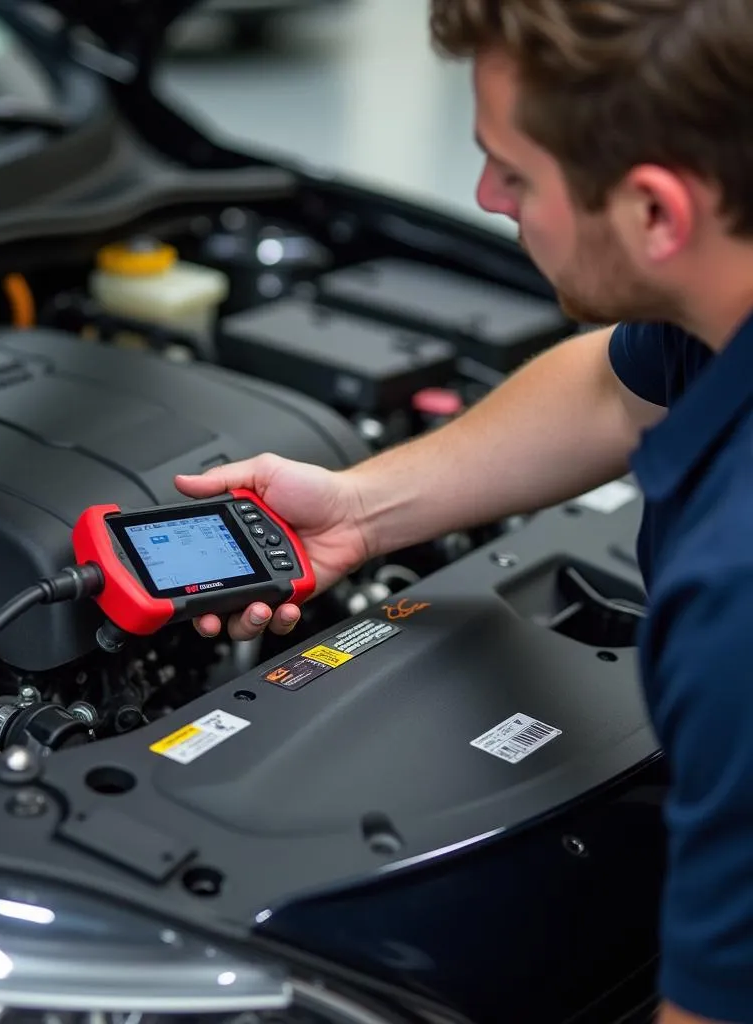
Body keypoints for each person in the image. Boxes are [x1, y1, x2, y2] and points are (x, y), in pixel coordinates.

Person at [176, 1, 753, 1022]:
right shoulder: (719, 295)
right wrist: (360, 507)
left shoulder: (734, 600)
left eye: (515, 173)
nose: (483, 195)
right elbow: (613, 389)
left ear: (658, 213)